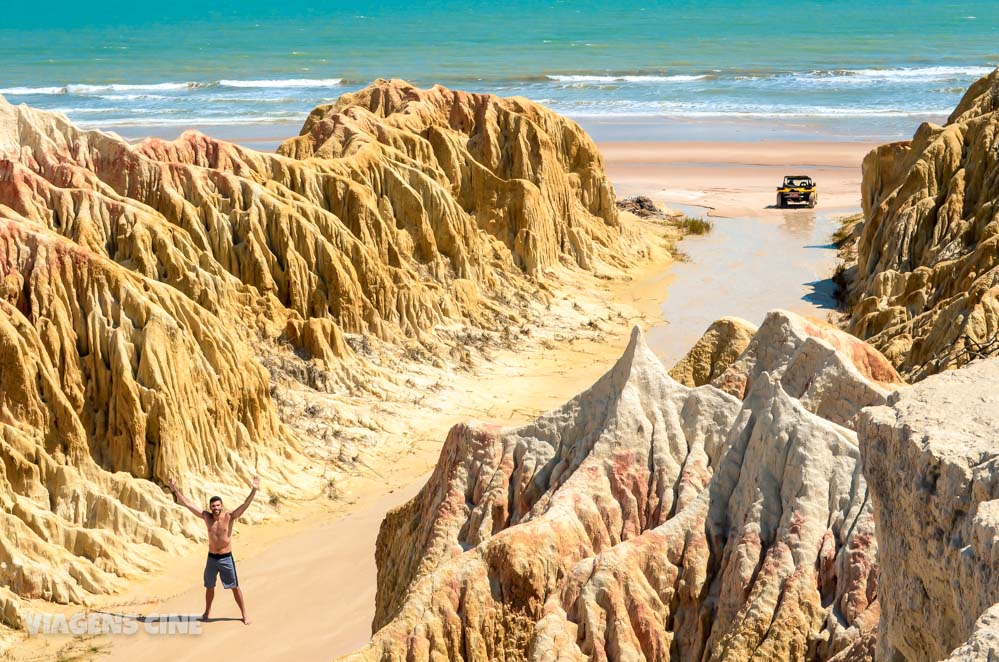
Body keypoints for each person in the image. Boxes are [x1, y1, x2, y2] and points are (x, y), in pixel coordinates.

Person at [167, 476, 259, 624]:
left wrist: (254, 489)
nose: (215, 508)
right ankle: (207, 612)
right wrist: (175, 489)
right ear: (210, 507)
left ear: (221, 506)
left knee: (234, 587)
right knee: (209, 587)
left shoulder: (229, 517)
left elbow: (244, 505)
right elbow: (188, 504)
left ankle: (244, 613)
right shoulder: (206, 517)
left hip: (226, 558)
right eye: (213, 506)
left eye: (218, 505)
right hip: (211, 559)